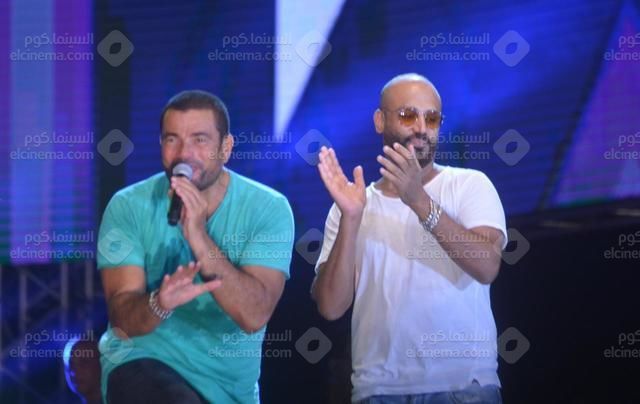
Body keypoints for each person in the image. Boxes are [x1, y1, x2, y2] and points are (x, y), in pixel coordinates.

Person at [312, 73, 507, 403]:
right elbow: (331, 306)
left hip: (463, 387)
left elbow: (487, 267)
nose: (421, 128)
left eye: (432, 119)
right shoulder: (353, 204)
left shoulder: (469, 185)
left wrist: (418, 200)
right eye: (407, 115)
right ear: (380, 121)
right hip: (378, 391)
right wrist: (351, 218)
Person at [97, 90, 294, 404]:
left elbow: (254, 315)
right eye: (172, 139)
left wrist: (199, 237)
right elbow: (122, 321)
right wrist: (158, 303)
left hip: (230, 388)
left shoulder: (268, 208)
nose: (184, 154)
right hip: (142, 363)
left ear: (226, 148)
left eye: (199, 140)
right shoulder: (128, 206)